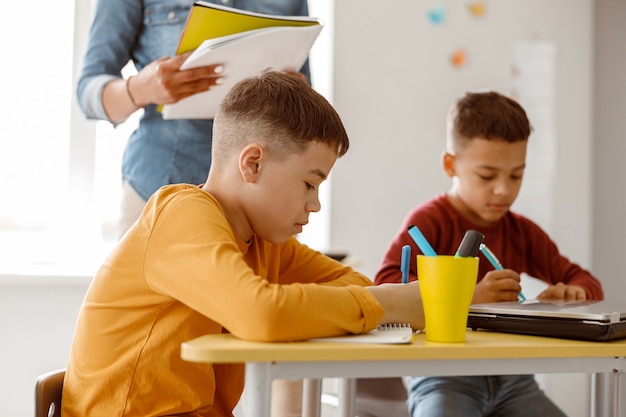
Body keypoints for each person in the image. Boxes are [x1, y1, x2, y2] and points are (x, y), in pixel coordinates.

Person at [61, 70, 425, 417]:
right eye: (309, 184)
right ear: (252, 163)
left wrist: (364, 302)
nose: (315, 204)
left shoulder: (266, 241)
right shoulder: (183, 215)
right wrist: (391, 301)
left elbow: (352, 283)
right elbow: (262, 314)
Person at [375, 91, 604, 417]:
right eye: (487, 176)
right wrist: (470, 296)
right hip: (442, 376)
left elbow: (586, 281)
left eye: (516, 175)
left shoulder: (522, 231)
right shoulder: (428, 221)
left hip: (515, 379)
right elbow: (385, 286)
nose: (503, 189)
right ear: (450, 165)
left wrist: (574, 292)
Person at [77, 0, 312, 238]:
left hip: (261, 205)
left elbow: (307, 110)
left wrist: (295, 94)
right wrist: (142, 88)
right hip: (160, 189)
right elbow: (88, 92)